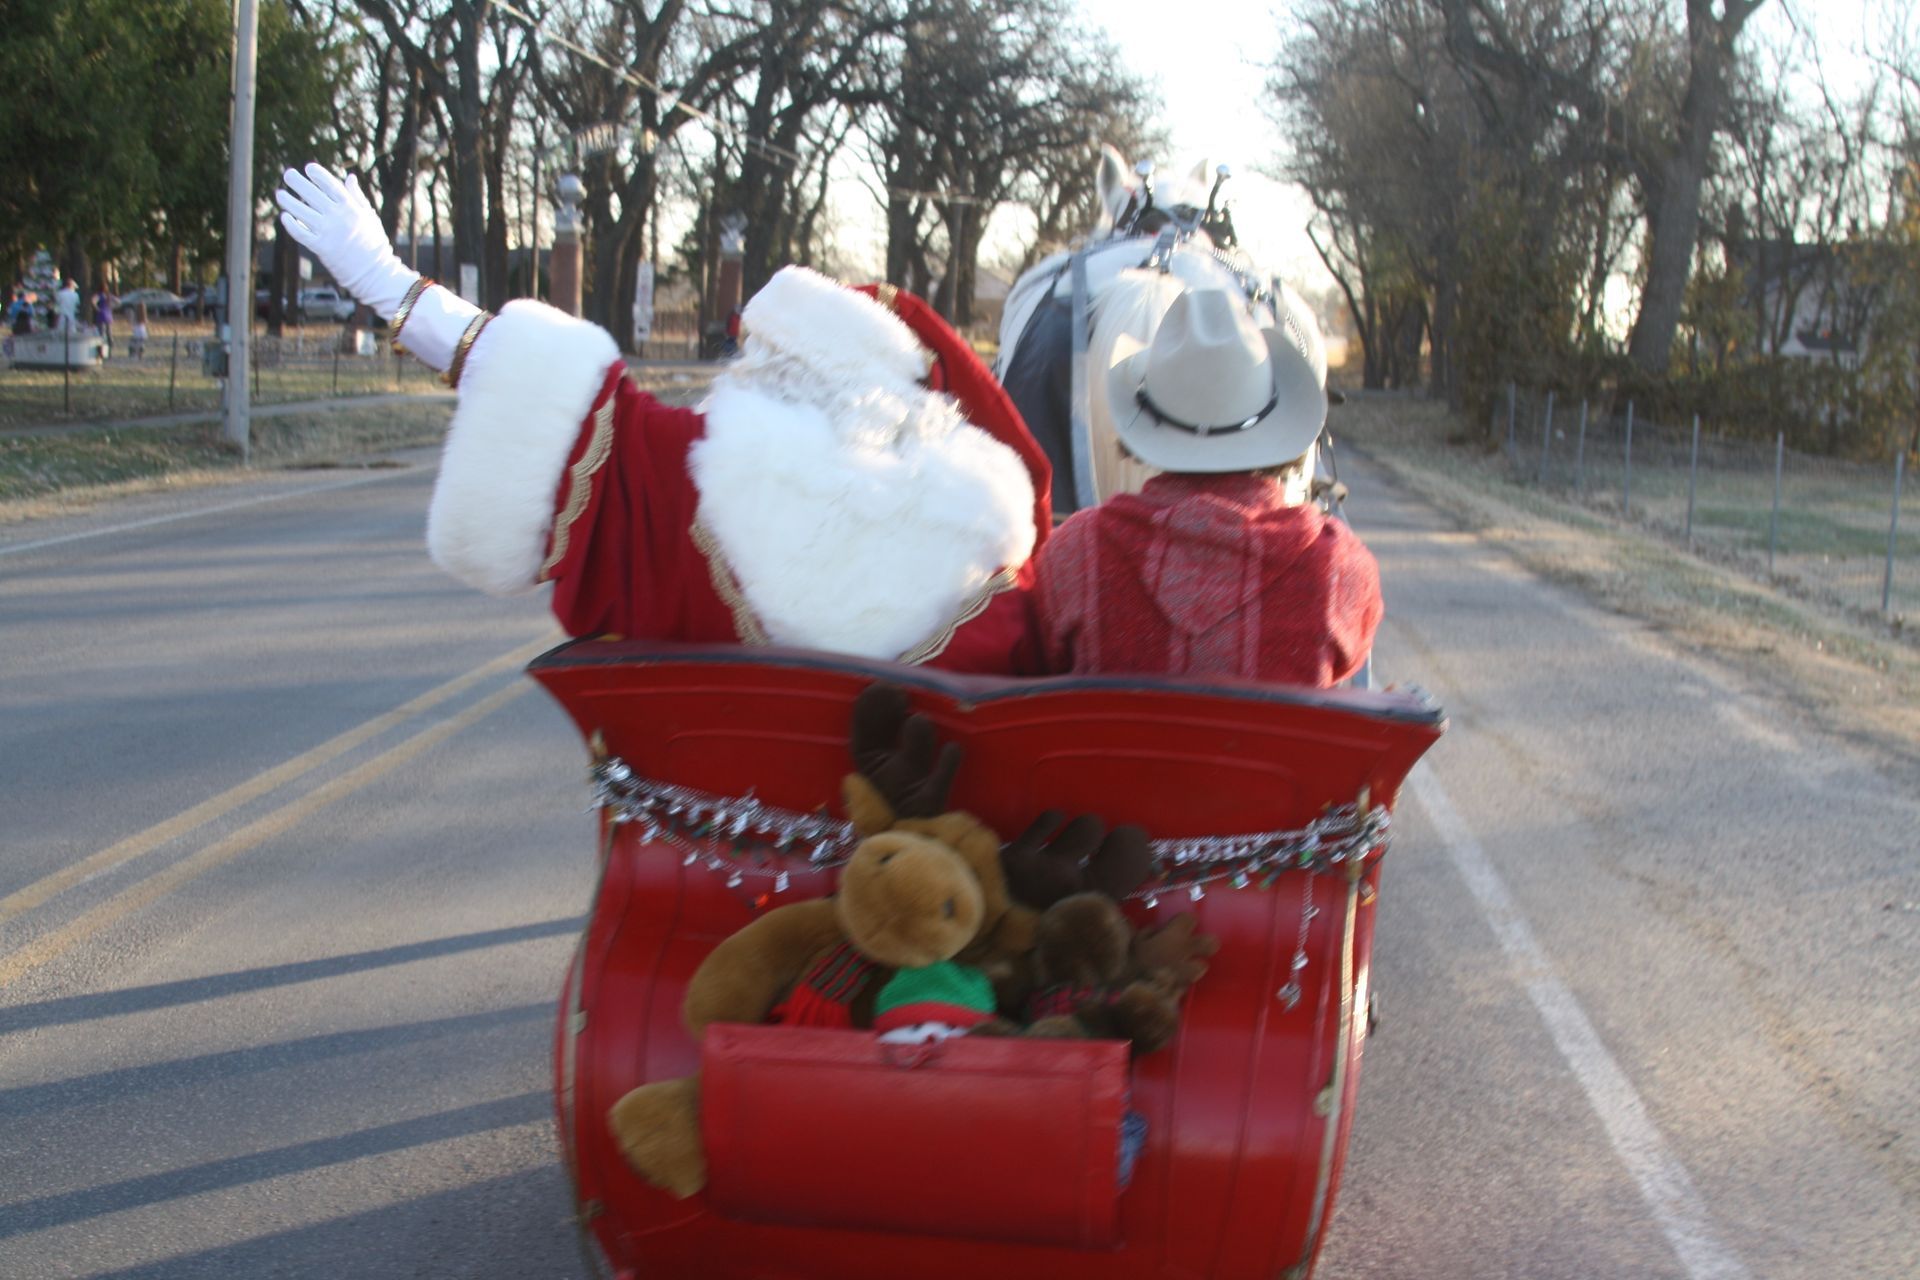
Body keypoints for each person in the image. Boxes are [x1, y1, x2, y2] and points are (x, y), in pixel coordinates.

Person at [274, 163, 1051, 675]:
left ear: (791, 370)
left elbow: (549, 394)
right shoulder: (995, 565)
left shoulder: (696, 478)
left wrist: (388, 282)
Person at [1030, 288, 1380, 688]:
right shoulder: (1343, 569)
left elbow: (1048, 664)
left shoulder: (1074, 554)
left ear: (1146, 420)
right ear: (1274, 422)